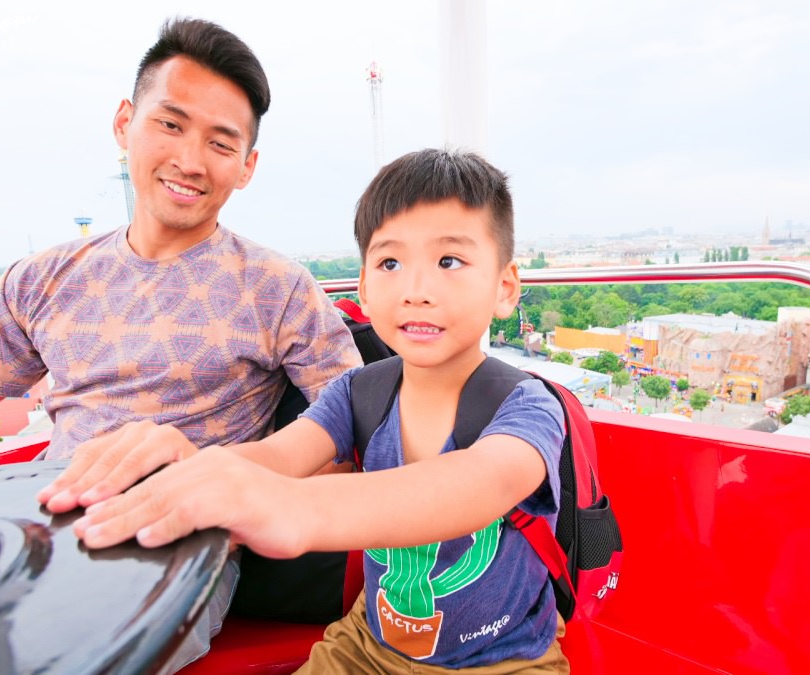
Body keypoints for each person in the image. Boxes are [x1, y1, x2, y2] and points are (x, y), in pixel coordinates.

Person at [41, 149, 570, 672]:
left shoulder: (528, 407)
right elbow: (279, 456)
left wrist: (296, 510)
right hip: (370, 643)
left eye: (449, 261)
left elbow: (475, 486)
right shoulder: (358, 392)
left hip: (504, 658)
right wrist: (192, 465)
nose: (416, 291)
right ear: (364, 288)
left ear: (505, 288)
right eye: (390, 263)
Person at [0, 17, 361, 670]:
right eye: (170, 124)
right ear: (125, 124)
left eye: (220, 143)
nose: (191, 161)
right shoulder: (40, 279)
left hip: (173, 552)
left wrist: (222, 486)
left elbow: (353, 443)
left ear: (247, 167)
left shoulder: (279, 289)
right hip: (44, 520)